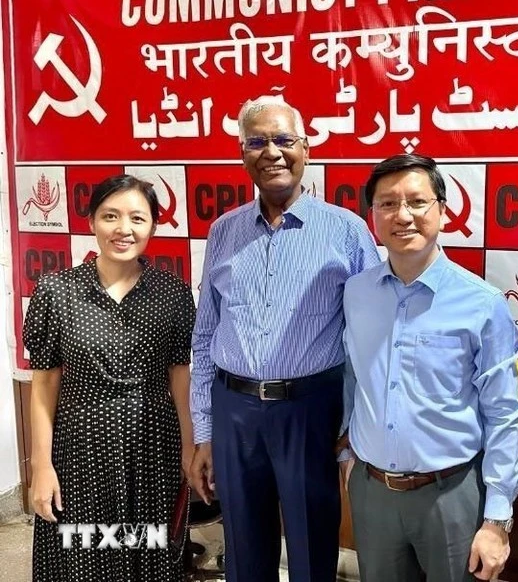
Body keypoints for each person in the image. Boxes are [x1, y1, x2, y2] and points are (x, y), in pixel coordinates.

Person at [188, 95, 380, 582]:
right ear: (243, 154)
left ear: (306, 149)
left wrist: (354, 432)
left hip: (310, 412)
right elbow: (207, 332)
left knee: (313, 548)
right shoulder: (224, 232)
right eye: (256, 142)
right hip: (235, 413)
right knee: (245, 550)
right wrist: (206, 431)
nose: (271, 152)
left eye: (282, 140)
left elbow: (371, 338)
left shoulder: (347, 231)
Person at [340, 154, 518, 582]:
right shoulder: (356, 292)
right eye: (387, 204)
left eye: (417, 202)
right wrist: (348, 452)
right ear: (373, 216)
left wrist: (498, 518)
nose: (402, 215)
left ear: (442, 210)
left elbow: (503, 413)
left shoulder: (482, 303)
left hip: (451, 495)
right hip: (372, 494)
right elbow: (353, 376)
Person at [24, 174, 196, 582]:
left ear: (154, 225)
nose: (124, 229)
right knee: (81, 553)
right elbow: (45, 384)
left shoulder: (173, 293)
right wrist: (42, 467)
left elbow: (179, 377)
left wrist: (190, 450)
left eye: (138, 218)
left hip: (153, 452)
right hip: (79, 453)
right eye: (111, 216)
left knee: (147, 555)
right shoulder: (56, 292)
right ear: (91, 222)